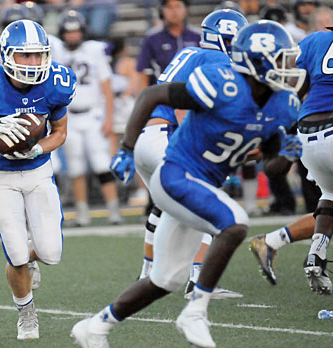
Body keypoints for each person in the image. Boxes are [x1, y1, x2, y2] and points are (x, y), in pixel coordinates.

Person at [72, 20, 304, 348]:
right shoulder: (224, 83)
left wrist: (289, 153)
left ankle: (96, 326)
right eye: (281, 58)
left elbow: (273, 167)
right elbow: (153, 94)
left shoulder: (284, 105)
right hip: (177, 174)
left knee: (166, 279)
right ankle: (195, 312)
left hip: (201, 185)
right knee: (235, 223)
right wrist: (126, 147)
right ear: (257, 61)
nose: (289, 67)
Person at [112, 9, 247, 299]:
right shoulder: (217, 59)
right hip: (166, 137)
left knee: (162, 207)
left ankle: (147, 273)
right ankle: (198, 282)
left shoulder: (190, 53)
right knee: (204, 204)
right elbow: (184, 104)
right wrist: (196, 145)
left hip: (145, 141)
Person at [0, 19, 76, 340]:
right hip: (0, 177)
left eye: (39, 55)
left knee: (51, 253)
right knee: (16, 253)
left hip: (38, 171)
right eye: (26, 56)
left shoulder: (57, 82)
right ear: (7, 54)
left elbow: (60, 133)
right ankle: (26, 311)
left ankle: (28, 259)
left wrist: (37, 146)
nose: (34, 63)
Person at [56, 10, 122, 226]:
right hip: (70, 116)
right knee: (75, 168)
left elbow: (106, 86)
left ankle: (113, 211)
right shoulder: (56, 53)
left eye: (76, 32)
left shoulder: (94, 51)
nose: (72, 36)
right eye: (68, 32)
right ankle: (82, 213)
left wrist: (109, 118)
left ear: (82, 32)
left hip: (93, 114)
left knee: (102, 164)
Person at [295, 25, 333, 295]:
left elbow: (297, 86)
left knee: (330, 192)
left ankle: (316, 254)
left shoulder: (315, 39)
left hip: (306, 132)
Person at [136, 0, 200, 90]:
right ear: (161, 11)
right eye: (169, 7)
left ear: (186, 9)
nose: (174, 11)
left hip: (193, 93)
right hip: (162, 95)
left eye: (178, 6)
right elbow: (144, 72)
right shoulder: (152, 38)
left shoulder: (198, 37)